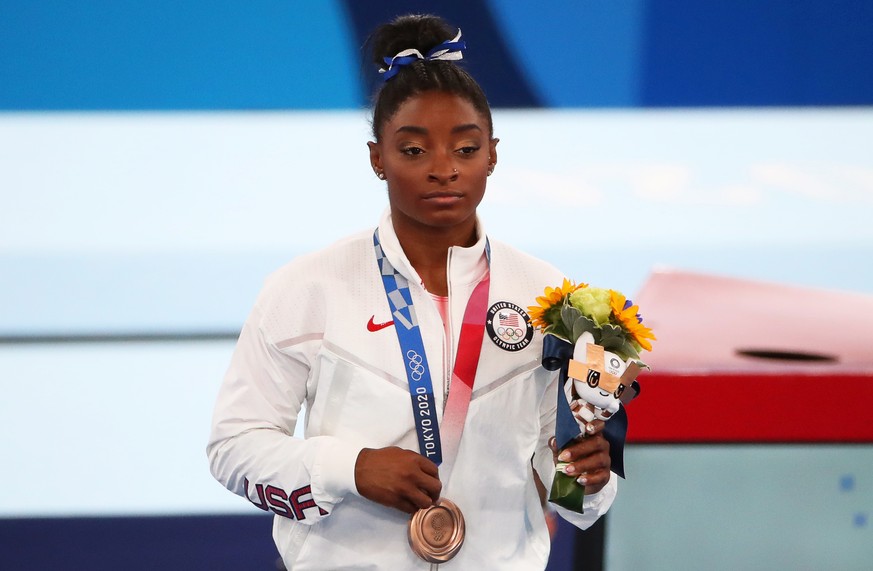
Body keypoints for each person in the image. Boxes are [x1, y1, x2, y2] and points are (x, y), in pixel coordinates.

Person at [207, 14, 616, 570]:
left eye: (466, 149)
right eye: (415, 150)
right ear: (378, 158)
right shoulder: (308, 287)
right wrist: (349, 469)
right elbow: (234, 448)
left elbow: (577, 496)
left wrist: (587, 477)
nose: (444, 170)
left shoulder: (554, 300)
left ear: (493, 154)